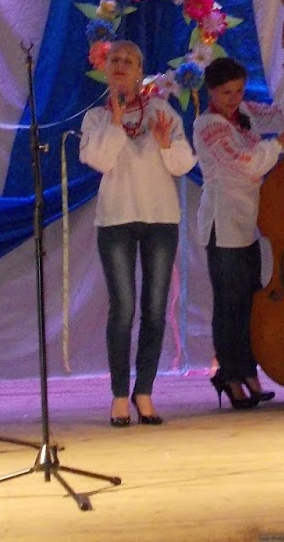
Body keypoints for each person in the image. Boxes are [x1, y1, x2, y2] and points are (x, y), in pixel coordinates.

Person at [79, 40, 197, 427]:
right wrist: (115, 121)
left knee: (155, 309)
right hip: (115, 219)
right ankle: (119, 394)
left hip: (160, 219)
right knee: (123, 308)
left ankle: (144, 390)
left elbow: (183, 164)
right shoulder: (95, 118)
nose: (121, 64)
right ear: (105, 68)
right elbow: (99, 160)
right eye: (115, 59)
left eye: (128, 60)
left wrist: (165, 145)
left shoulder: (162, 112)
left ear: (139, 71)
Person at [193, 56, 284, 410]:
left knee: (249, 303)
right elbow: (246, 164)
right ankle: (230, 374)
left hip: (248, 223)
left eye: (239, 90)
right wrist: (280, 143)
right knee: (229, 305)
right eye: (226, 92)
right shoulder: (207, 125)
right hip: (222, 224)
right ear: (211, 92)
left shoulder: (244, 113)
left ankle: (248, 372)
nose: (234, 98)